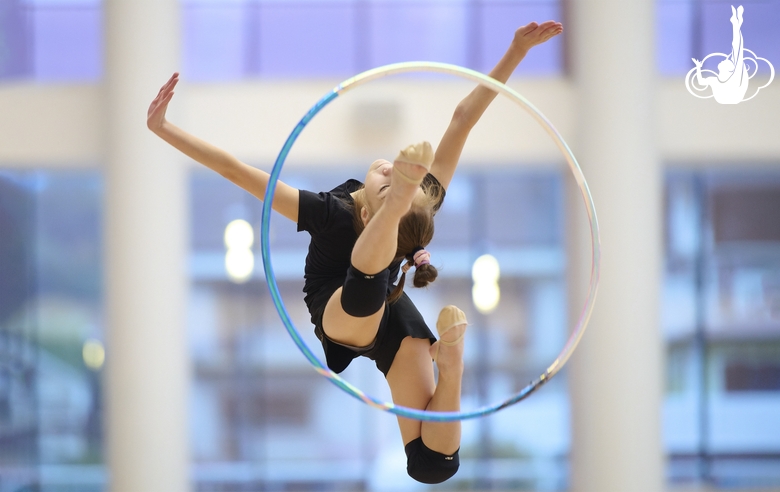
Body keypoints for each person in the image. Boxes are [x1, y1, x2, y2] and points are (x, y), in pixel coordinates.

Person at [147, 20, 563, 484]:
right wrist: (516, 51)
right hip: (358, 301)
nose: (385, 170)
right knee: (373, 295)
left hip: (354, 304)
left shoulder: (335, 212)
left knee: (432, 467)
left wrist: (164, 129)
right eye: (393, 184)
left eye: (392, 186)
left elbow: (238, 172)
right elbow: (463, 117)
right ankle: (450, 364)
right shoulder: (395, 204)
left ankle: (451, 363)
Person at [692, 5, 748, 104]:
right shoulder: (715, 80)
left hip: (732, 99)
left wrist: (736, 26)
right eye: (727, 60)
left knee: (736, 50)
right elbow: (701, 82)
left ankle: (736, 23)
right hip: (727, 101)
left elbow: (737, 48)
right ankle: (736, 23)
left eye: (726, 61)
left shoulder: (734, 77)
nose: (724, 59)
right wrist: (698, 67)